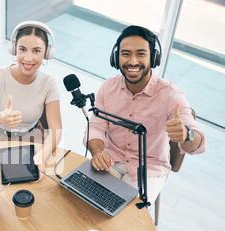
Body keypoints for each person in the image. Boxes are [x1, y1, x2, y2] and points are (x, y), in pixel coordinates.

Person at [85, 25, 206, 203]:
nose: (133, 61)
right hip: (111, 160)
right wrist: (97, 152)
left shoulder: (172, 95)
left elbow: (199, 143)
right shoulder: (107, 88)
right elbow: (95, 127)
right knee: (86, 202)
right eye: (126, 54)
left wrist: (187, 134)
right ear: (116, 58)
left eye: (141, 54)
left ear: (153, 58)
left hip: (149, 169)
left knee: (127, 219)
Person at [0, 20, 62, 172]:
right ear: (14, 48)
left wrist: (43, 154)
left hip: (32, 139)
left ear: (47, 53)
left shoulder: (49, 83)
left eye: (36, 51)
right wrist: (0, 117)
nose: (28, 58)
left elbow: (56, 130)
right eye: (22, 49)